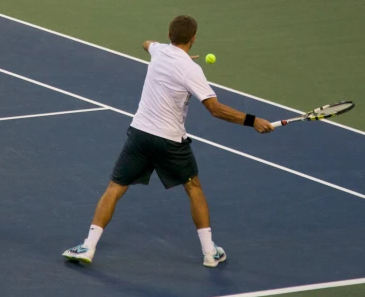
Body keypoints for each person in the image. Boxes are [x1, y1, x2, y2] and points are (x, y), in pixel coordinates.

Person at [62, 15, 274, 267]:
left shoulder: (159, 51)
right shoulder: (191, 70)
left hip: (139, 135)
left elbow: (145, 43)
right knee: (193, 188)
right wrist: (253, 121)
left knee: (115, 188)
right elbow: (215, 110)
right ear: (193, 38)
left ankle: (87, 246)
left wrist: (171, 53)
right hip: (169, 142)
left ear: (168, 34)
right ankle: (210, 253)